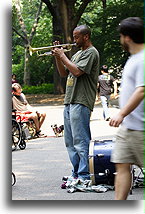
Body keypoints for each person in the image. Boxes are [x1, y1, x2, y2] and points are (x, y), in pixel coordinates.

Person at [52, 25, 100, 182]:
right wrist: (58, 57)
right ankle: (76, 172)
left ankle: (85, 174)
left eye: (77, 37)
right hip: (70, 100)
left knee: (81, 140)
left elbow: (78, 72)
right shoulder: (78, 54)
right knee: (70, 141)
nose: (74, 40)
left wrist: (63, 56)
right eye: (73, 37)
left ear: (86, 37)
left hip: (81, 100)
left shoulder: (91, 52)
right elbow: (63, 73)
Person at [109, 17, 144, 200]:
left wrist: (121, 113)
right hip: (128, 128)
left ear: (127, 37)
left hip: (142, 129)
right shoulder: (133, 58)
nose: (120, 40)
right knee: (122, 165)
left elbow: (141, 90)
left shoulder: (143, 59)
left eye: (121, 36)